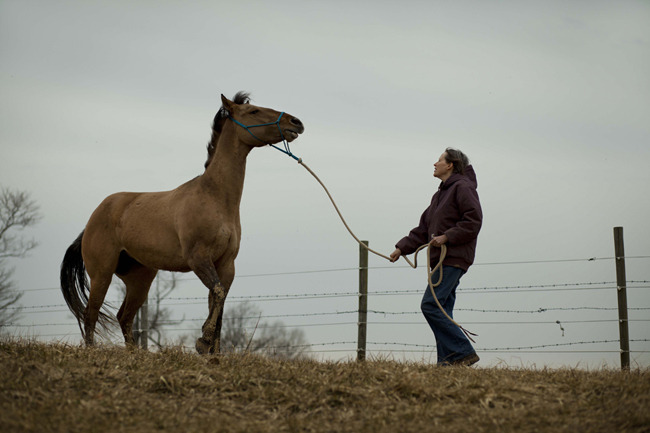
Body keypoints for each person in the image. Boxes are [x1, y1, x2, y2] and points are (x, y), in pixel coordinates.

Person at [390, 148, 482, 366]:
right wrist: (402, 248)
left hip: (452, 257)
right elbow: (424, 229)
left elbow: (473, 221)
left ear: (450, 165)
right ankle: (447, 363)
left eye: (439, 160)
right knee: (442, 310)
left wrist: (447, 237)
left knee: (431, 306)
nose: (435, 163)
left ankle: (462, 352)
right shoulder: (440, 194)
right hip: (443, 258)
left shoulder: (462, 187)